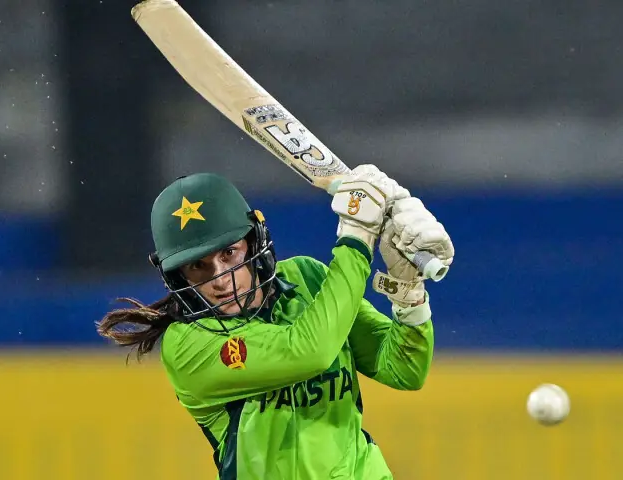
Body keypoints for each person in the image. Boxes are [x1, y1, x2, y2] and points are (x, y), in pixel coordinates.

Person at [96, 165, 454, 480]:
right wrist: (357, 236)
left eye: (229, 253)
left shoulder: (308, 278)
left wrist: (408, 292)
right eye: (198, 266)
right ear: (178, 277)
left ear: (253, 243)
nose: (220, 278)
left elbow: (404, 370)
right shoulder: (190, 344)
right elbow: (309, 352)